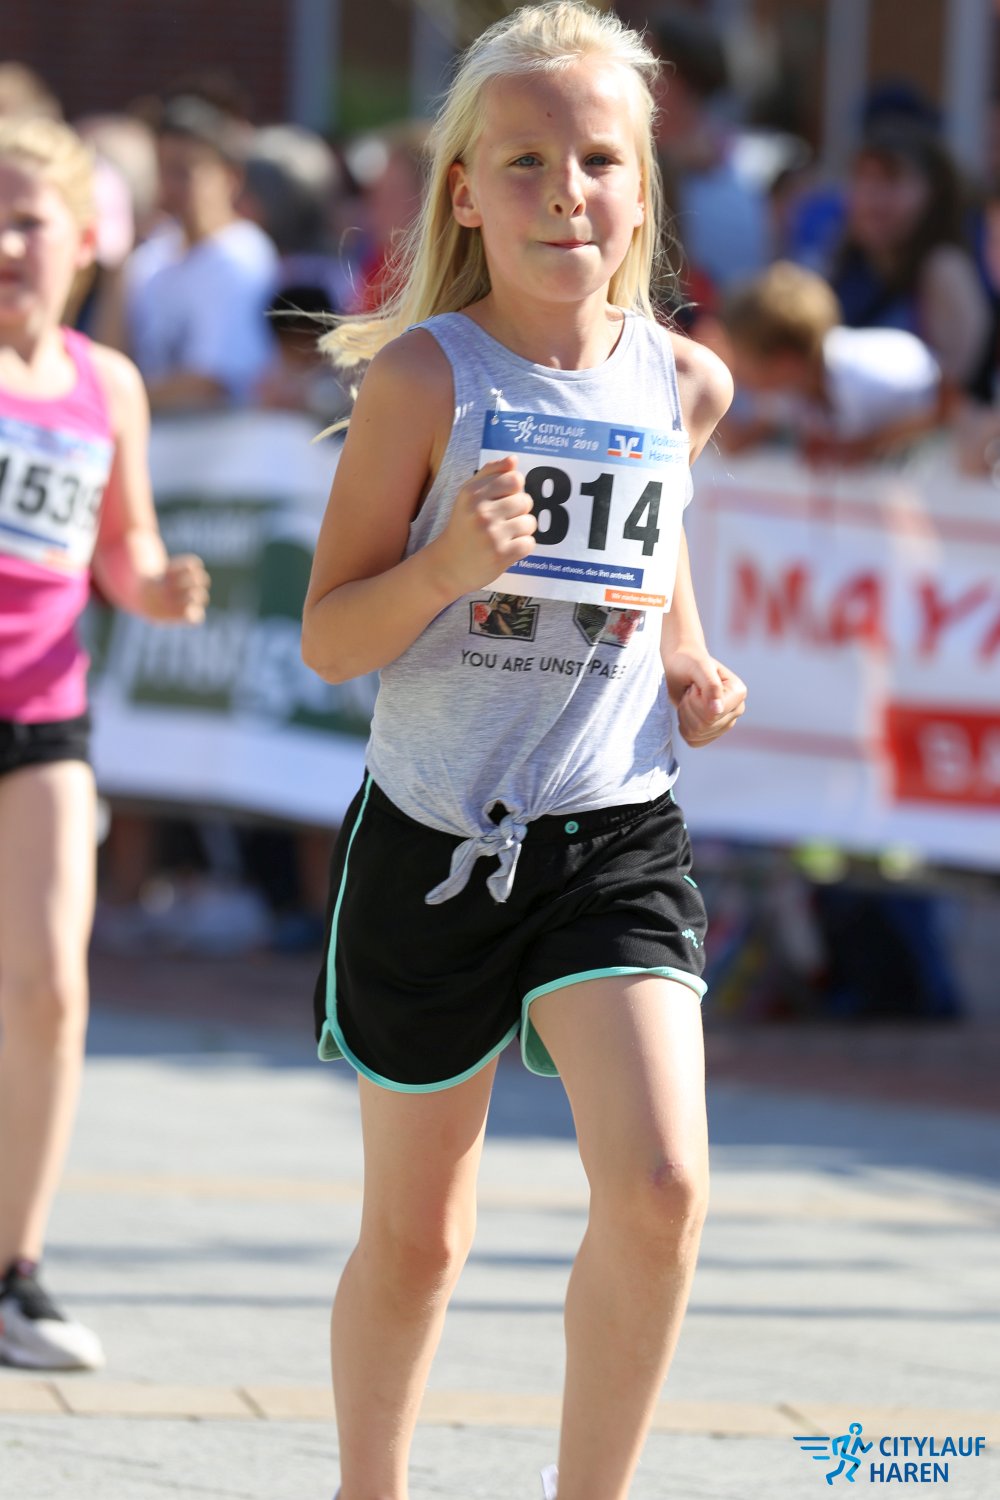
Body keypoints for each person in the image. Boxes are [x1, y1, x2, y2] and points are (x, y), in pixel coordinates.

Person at [300, 6, 746, 1498]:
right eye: (527, 163)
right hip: (434, 833)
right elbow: (331, 637)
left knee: (664, 1185)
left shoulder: (686, 384)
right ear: (466, 194)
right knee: (421, 1241)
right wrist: (444, 571)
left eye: (600, 160)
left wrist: (685, 661)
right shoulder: (425, 382)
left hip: (613, 831)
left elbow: (658, 549)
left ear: (643, 189)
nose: (568, 193)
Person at [0, 116, 209, 1369]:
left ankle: (15, 1270)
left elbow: (120, 548)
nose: (5, 243)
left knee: (50, 987)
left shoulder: (107, 385)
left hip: (43, 714)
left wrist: (156, 589)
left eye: (27, 220)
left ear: (83, 241)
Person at [117, 94, 278, 410]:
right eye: (163, 170)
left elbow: (211, 384)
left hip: (217, 437)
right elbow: (112, 354)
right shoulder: (152, 253)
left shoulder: (241, 256)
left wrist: (118, 402)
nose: (169, 186)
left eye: (183, 172)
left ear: (230, 178)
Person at [715, 259, 944, 461]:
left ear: (785, 362)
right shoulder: (786, 392)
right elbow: (735, 444)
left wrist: (863, 447)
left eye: (741, 356)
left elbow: (948, 401)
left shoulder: (870, 369)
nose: (734, 368)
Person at [830, 120, 992, 397]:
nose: (872, 197)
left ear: (933, 192)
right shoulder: (847, 266)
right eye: (863, 178)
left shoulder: (944, 268)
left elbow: (953, 393)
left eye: (890, 180)